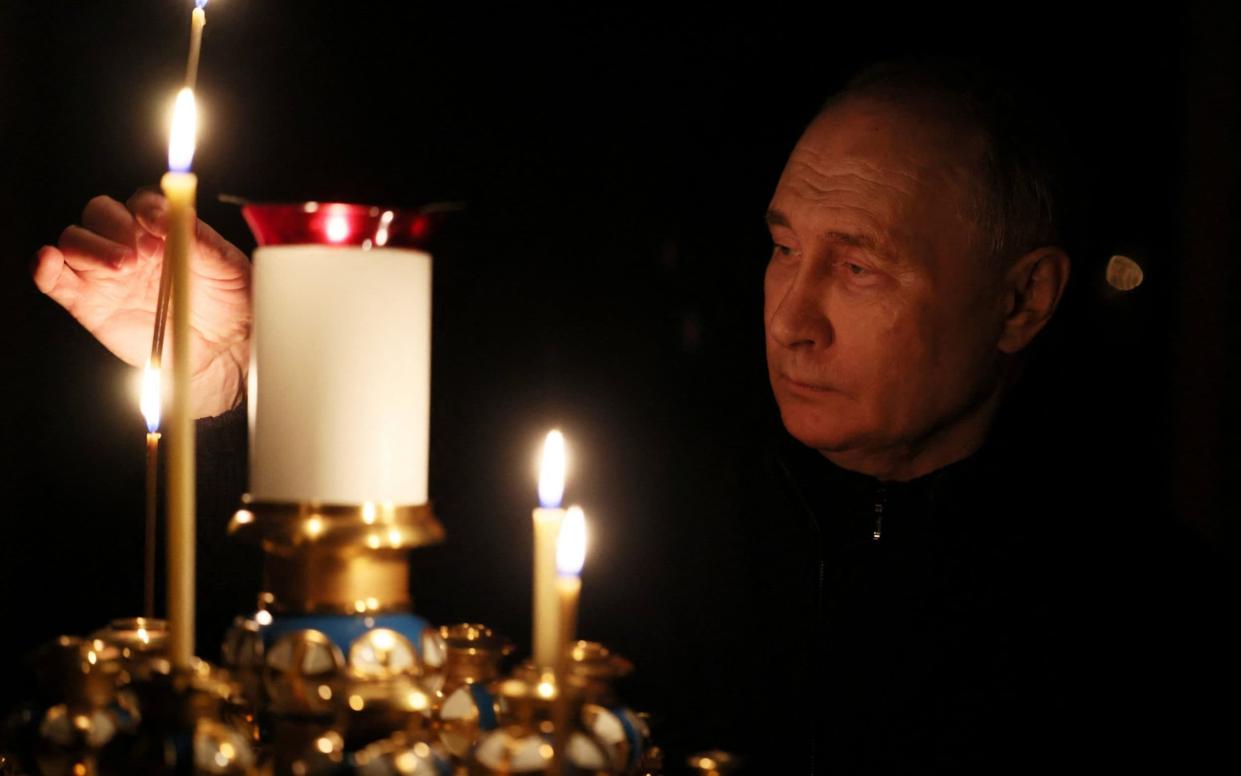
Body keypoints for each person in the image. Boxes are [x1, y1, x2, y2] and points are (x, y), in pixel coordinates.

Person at [32, 60, 1228, 772]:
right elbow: (323, 675)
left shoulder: (1139, 628)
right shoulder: (636, 517)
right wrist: (258, 370)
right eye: (781, 248)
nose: (791, 316)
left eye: (860, 268)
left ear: (1021, 299)